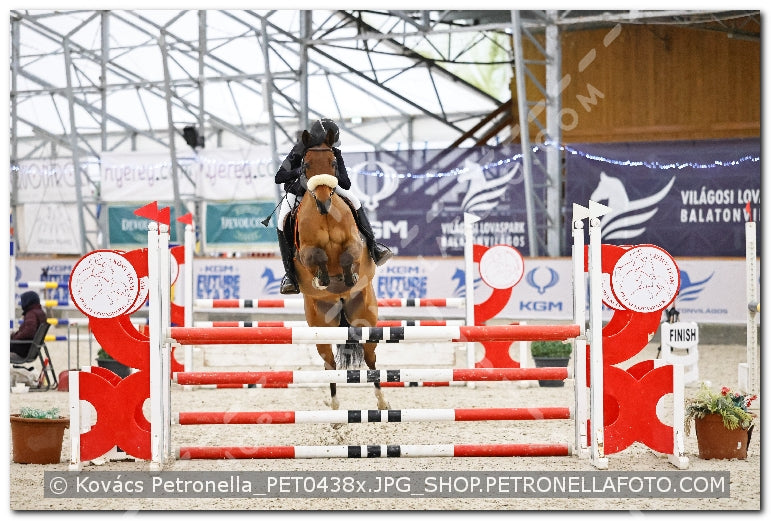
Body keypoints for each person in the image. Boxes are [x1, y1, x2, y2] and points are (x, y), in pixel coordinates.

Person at [274, 118, 393, 294]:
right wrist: (303, 171)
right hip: (300, 191)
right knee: (281, 219)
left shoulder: (335, 153)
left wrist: (330, 176)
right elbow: (280, 176)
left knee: (355, 201)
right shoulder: (299, 149)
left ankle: (375, 248)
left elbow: (345, 183)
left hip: (329, 188)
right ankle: (290, 276)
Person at [10, 291, 47, 359]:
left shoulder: (31, 314)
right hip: (31, 349)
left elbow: (29, 332)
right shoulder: (40, 312)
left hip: (22, 350)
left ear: (27, 301)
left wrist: (15, 337)